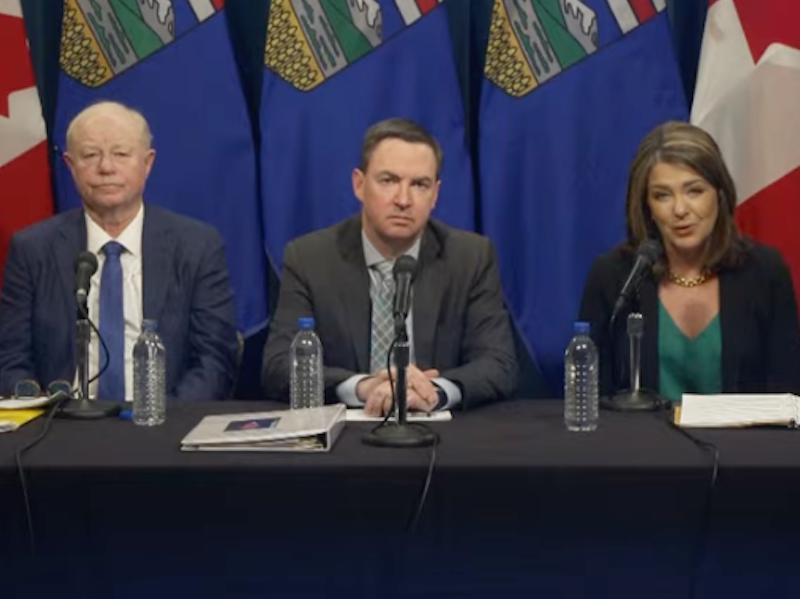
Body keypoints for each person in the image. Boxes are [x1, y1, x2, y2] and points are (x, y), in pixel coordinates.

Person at [262, 117, 517, 415]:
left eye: (419, 184)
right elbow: (278, 366)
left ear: (435, 194)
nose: (403, 199)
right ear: (359, 184)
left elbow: (499, 363)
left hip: (436, 438)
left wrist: (432, 392)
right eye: (389, 181)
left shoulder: (469, 257)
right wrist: (364, 386)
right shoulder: (310, 258)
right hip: (344, 438)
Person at [0, 101, 238, 400]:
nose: (106, 168)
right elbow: (10, 359)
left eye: (121, 154)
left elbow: (214, 360)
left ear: (147, 163)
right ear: (70, 166)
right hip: (61, 427)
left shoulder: (196, 245)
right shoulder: (33, 249)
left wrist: (163, 421)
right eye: (90, 155)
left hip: (163, 426)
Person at [580, 121, 800, 401]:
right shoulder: (614, 276)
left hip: (743, 444)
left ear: (719, 195)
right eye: (662, 195)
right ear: (647, 206)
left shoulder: (763, 271)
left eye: (694, 191)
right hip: (641, 444)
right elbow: (592, 399)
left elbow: (788, 395)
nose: (680, 209)